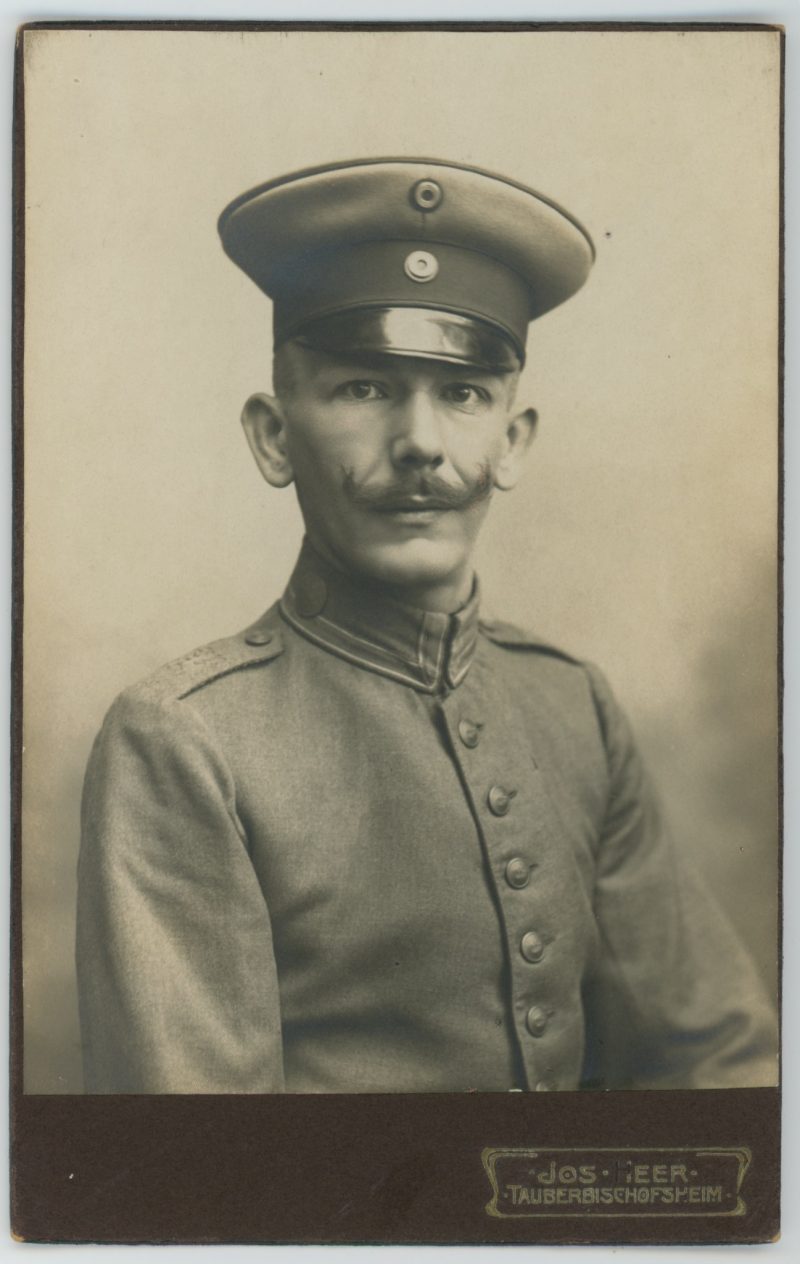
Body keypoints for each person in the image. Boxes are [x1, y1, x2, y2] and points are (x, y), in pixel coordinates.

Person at [76, 157, 777, 1094]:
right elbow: (209, 1182)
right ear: (274, 437)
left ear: (512, 441)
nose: (421, 444)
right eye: (365, 389)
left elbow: (718, 1062)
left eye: (463, 394)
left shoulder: (572, 705)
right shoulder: (185, 741)